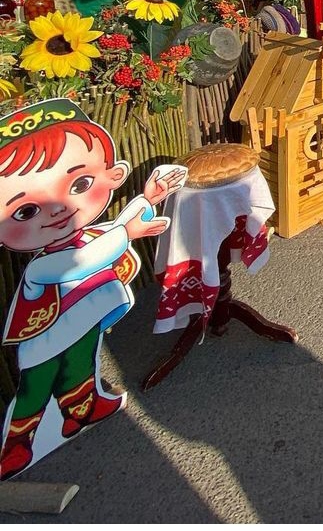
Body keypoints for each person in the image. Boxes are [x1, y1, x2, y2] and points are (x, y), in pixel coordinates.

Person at [0, 99, 185, 479]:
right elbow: (89, 258)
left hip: (85, 322)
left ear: (112, 175)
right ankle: (18, 444)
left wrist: (148, 199)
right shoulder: (41, 267)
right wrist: (127, 232)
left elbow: (115, 230)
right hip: (46, 338)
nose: (58, 209)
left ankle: (81, 410)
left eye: (80, 184)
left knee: (81, 366)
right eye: (25, 211)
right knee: (36, 387)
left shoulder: (91, 235)